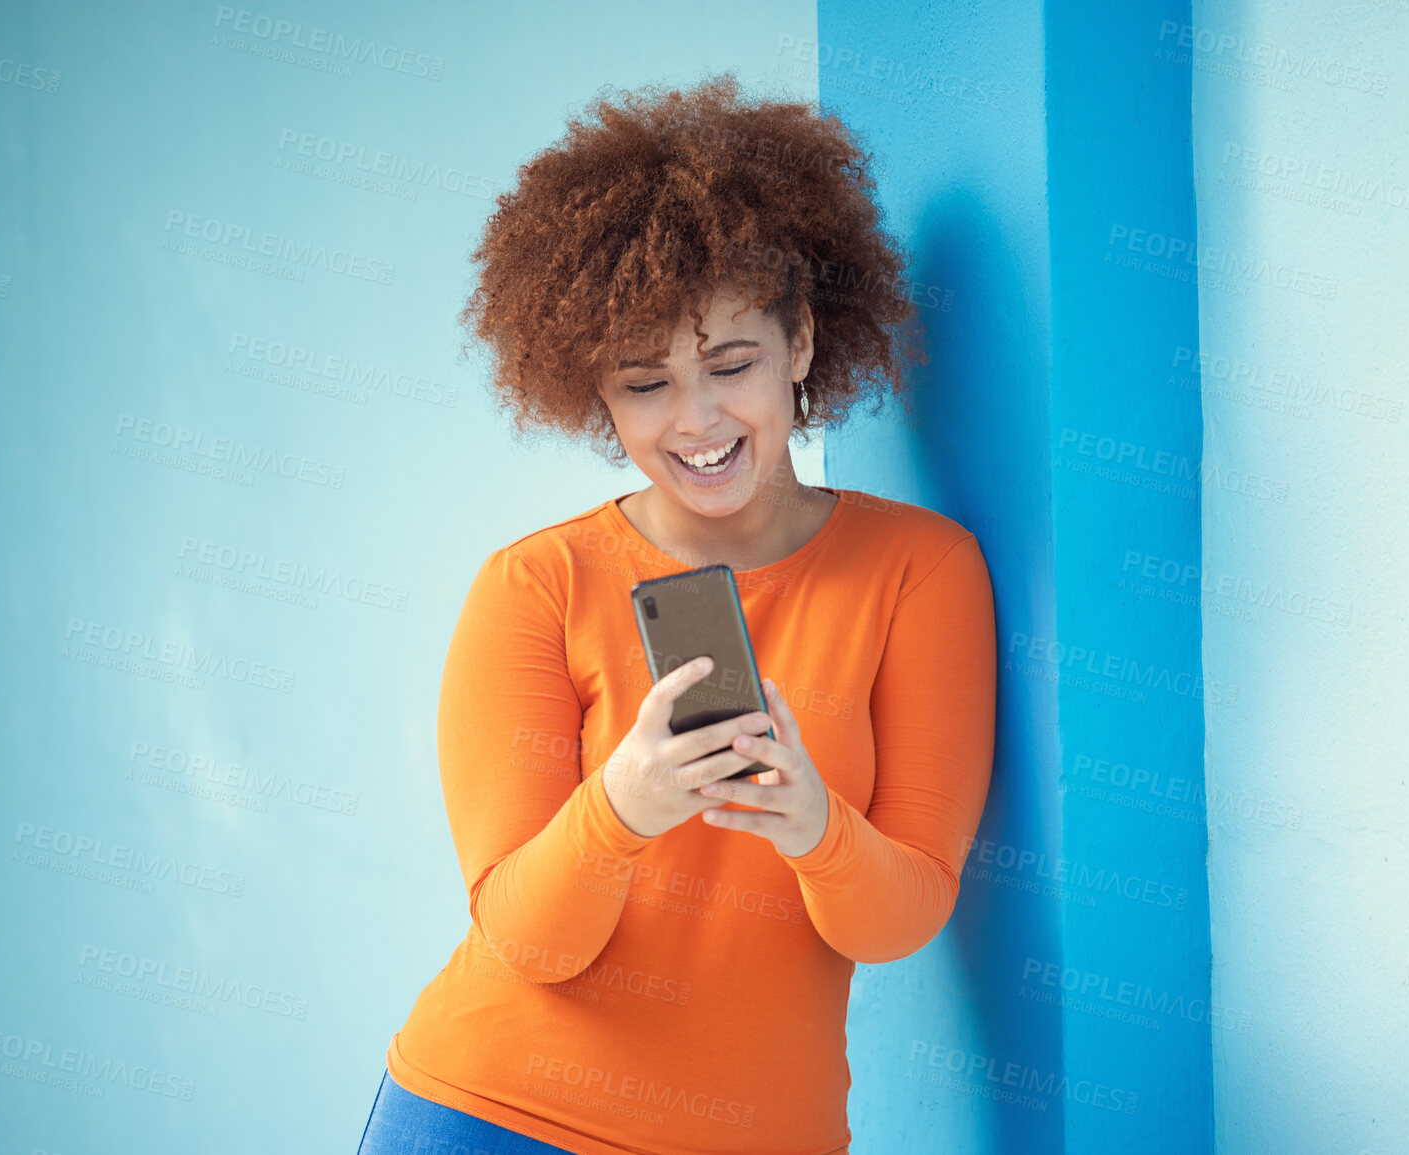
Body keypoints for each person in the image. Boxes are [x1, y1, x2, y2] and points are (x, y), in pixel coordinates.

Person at [358, 74, 997, 1155]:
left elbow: (902, 918)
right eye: (642, 383)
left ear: (799, 345)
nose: (697, 421)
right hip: (493, 1117)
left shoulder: (918, 571)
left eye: (732, 364)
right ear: (593, 397)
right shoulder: (536, 584)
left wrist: (814, 825)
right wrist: (621, 807)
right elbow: (526, 939)